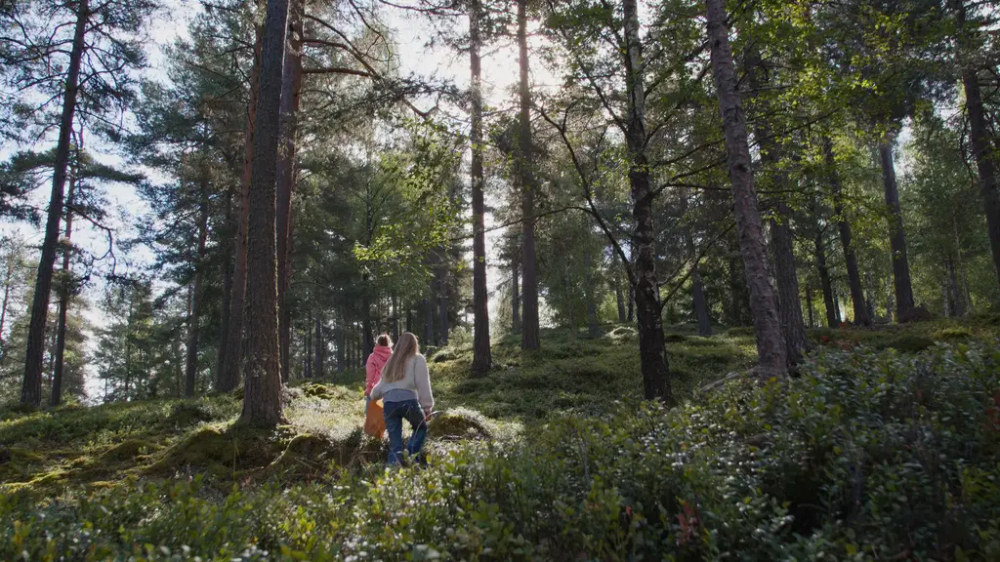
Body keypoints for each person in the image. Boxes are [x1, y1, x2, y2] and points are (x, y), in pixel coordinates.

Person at [369, 332, 434, 466]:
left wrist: (372, 395)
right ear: (414, 345)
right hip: (408, 402)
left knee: (395, 444)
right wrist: (427, 407)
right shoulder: (417, 359)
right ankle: (411, 455)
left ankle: (393, 470)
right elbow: (423, 384)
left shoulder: (391, 362)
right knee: (420, 428)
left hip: (389, 404)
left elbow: (380, 387)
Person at [364, 334, 393, 414]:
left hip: (377, 387)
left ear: (377, 343)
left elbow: (370, 374)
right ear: (389, 343)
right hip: (391, 388)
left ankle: (369, 421)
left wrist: (369, 388)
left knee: (371, 407)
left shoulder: (372, 357)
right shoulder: (393, 356)